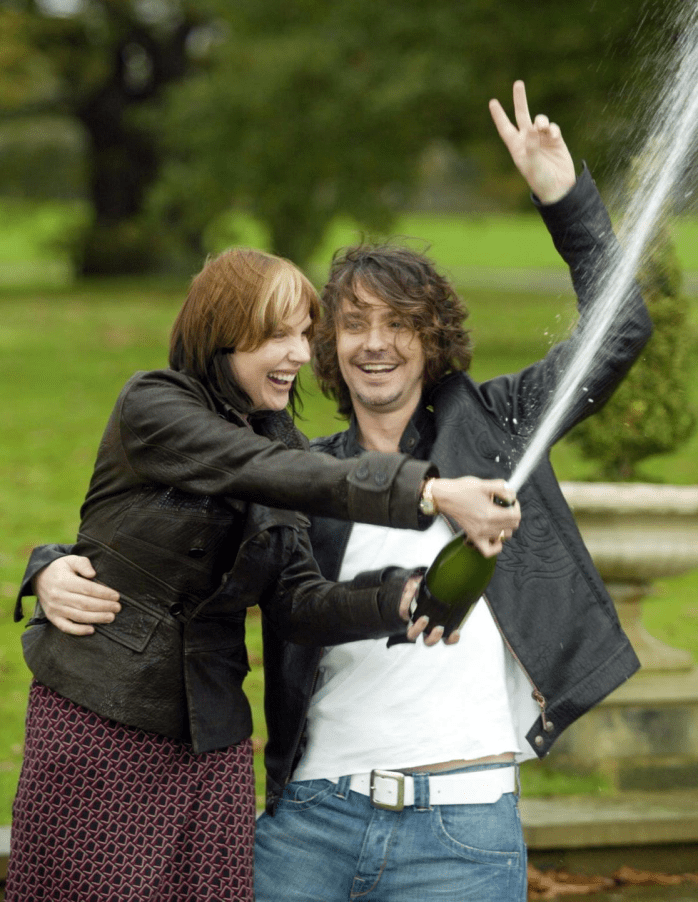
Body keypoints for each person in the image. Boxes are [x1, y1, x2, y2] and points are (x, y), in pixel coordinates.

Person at [16, 80, 652, 901]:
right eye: (353, 324)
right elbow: (191, 545)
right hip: (310, 822)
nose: (376, 345)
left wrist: (563, 197)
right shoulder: (302, 469)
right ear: (329, 344)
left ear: (435, 336)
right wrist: (53, 562)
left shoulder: (503, 432)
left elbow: (621, 326)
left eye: (399, 324)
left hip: (462, 828)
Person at [6, 245, 520, 902]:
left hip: (213, 743)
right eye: (279, 335)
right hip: (104, 724)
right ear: (224, 336)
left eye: (305, 334)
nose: (303, 353)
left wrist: (397, 599)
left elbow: (298, 602)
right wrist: (434, 493)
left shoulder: (281, 443)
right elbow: (269, 472)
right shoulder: (154, 405)